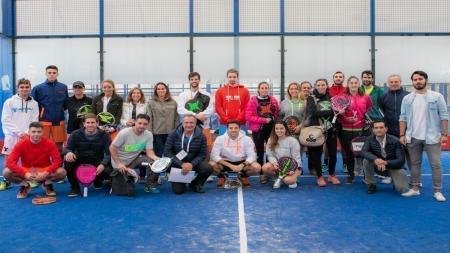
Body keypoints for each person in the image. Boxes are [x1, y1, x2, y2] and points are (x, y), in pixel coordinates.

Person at [399, 71, 448, 202]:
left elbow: (444, 116)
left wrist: (444, 134)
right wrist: (402, 134)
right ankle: (415, 189)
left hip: (432, 137)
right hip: (413, 137)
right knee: (414, 164)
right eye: (415, 80)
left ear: (426, 80)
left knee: (436, 164)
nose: (418, 81)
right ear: (412, 82)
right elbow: (402, 118)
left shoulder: (437, 96)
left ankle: (437, 191)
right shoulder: (407, 99)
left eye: (420, 79)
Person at [3, 122, 66, 198]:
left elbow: (58, 161)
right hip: (27, 170)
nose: (36, 134)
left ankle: (47, 183)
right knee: (6, 172)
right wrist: (25, 173)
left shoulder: (50, 143)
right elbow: (9, 162)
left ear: (43, 132)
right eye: (33, 132)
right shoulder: (21, 144)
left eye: (39, 132)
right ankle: (25, 185)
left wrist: (46, 173)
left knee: (62, 172)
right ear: (29, 132)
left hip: (44, 170)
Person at [1, 78, 39, 190]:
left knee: (27, 159)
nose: (24, 89)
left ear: (30, 88)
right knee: (9, 159)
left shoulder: (34, 104)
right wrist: (19, 133)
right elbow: (5, 119)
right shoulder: (9, 102)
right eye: (22, 87)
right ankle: (6, 180)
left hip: (27, 136)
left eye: (27, 87)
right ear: (18, 88)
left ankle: (28, 180)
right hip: (12, 136)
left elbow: (34, 120)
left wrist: (27, 133)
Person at [109, 114, 160, 193]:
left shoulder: (149, 134)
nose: (142, 126)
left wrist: (156, 158)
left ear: (147, 125)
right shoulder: (124, 133)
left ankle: (150, 185)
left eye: (145, 124)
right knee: (124, 188)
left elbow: (149, 151)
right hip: (119, 163)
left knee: (154, 163)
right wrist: (119, 164)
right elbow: (112, 147)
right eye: (140, 123)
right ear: (135, 122)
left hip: (134, 160)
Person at [303, 79, 341, 186]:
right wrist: (332, 111)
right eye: (318, 85)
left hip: (331, 129)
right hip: (317, 130)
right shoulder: (311, 98)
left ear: (326, 86)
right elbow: (313, 113)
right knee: (317, 154)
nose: (320, 86)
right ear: (315, 86)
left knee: (333, 154)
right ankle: (319, 177)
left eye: (323, 85)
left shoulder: (332, 98)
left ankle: (331, 175)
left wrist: (339, 112)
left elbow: (336, 114)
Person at [64, 113, 112, 197]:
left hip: (97, 160)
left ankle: (98, 180)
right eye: (88, 122)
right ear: (84, 124)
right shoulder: (75, 134)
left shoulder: (105, 135)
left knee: (108, 169)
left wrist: (103, 164)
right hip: (80, 159)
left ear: (97, 124)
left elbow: (109, 154)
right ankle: (75, 188)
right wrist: (69, 152)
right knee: (68, 161)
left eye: (93, 123)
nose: (90, 125)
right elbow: (67, 148)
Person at [164, 115, 213, 194]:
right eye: (186, 122)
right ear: (182, 123)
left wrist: (191, 164)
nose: (189, 125)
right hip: (177, 163)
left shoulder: (201, 136)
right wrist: (181, 164)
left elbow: (202, 154)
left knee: (207, 168)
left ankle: (195, 184)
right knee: (178, 191)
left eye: (191, 123)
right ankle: (181, 180)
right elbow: (167, 152)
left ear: (195, 123)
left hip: (194, 163)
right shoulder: (173, 134)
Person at [337, 76, 372, 184]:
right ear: (348, 84)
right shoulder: (342, 97)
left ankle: (367, 176)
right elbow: (337, 114)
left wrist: (367, 120)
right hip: (346, 130)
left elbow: (369, 110)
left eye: (355, 83)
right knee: (349, 154)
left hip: (361, 130)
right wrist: (344, 116)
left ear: (358, 84)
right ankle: (351, 175)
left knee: (364, 153)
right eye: (351, 83)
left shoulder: (366, 97)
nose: (353, 85)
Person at [360, 120, 410, 195]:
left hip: (393, 167)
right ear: (373, 130)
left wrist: (385, 162)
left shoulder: (395, 141)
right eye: (376, 128)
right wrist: (376, 159)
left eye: (381, 127)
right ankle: (371, 184)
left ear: (386, 129)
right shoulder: (369, 139)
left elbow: (401, 160)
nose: (378, 130)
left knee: (403, 189)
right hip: (378, 167)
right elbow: (363, 152)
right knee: (366, 160)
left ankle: (393, 179)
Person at [378, 74, 410, 184]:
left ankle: (415, 179)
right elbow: (382, 113)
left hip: (406, 132)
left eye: (396, 81)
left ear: (400, 82)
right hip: (390, 132)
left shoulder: (408, 96)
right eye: (391, 82)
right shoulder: (383, 97)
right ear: (388, 83)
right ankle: (390, 176)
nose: (394, 84)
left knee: (410, 156)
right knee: (391, 155)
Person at [210, 121, 261, 188]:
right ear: (227, 129)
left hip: (242, 162)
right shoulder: (220, 139)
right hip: (225, 162)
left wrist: (243, 164)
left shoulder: (247, 139)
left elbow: (252, 155)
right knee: (211, 164)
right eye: (231, 128)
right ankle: (222, 176)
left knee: (257, 167)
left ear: (239, 129)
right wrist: (231, 166)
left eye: (236, 128)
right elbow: (214, 155)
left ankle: (243, 176)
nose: (233, 130)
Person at [31, 65, 68, 152]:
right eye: (49, 73)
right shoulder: (38, 88)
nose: (52, 74)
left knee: (59, 146)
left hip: (59, 121)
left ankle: (58, 164)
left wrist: (60, 111)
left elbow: (66, 104)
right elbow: (33, 105)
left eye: (54, 73)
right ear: (46, 74)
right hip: (44, 121)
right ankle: (43, 164)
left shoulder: (63, 87)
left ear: (57, 74)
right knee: (42, 145)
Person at [177, 72, 214, 151]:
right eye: (192, 79)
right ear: (189, 81)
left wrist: (201, 115)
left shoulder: (206, 95)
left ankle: (204, 163)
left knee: (206, 148)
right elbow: (180, 110)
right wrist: (196, 115)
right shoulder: (183, 95)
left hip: (204, 126)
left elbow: (210, 109)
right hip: (188, 127)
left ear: (199, 80)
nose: (194, 81)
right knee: (188, 148)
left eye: (196, 79)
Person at [245, 81, 280, 166]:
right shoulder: (252, 100)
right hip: (258, 129)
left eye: (266, 88)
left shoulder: (273, 99)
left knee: (271, 149)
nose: (264, 90)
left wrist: (276, 122)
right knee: (259, 150)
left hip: (271, 128)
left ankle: (268, 168)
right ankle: (260, 168)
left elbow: (278, 113)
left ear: (268, 89)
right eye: (262, 88)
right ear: (258, 89)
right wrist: (263, 120)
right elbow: (248, 117)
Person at [262, 121, 302, 189]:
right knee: (265, 167)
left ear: (285, 129)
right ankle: (278, 178)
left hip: (293, 167)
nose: (279, 130)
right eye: (277, 128)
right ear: (274, 130)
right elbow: (270, 155)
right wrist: (275, 163)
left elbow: (297, 159)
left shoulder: (293, 141)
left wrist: (292, 170)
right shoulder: (270, 140)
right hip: (279, 166)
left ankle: (292, 179)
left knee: (288, 181)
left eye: (281, 128)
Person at [215, 68, 250, 134]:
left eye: (234, 77)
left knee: (241, 143)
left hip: (240, 123)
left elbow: (246, 107)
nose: (232, 79)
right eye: (230, 77)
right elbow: (218, 107)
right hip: (224, 124)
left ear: (237, 78)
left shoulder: (245, 91)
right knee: (224, 143)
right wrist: (226, 119)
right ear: (227, 77)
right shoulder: (220, 91)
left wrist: (238, 119)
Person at [147, 82, 178, 157]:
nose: (161, 90)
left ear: (166, 90)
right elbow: (149, 118)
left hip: (171, 133)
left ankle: (170, 168)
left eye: (163, 88)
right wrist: (150, 133)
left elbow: (176, 118)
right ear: (156, 91)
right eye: (158, 89)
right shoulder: (151, 103)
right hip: (157, 133)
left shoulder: (173, 102)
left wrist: (176, 131)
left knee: (170, 155)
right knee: (158, 155)